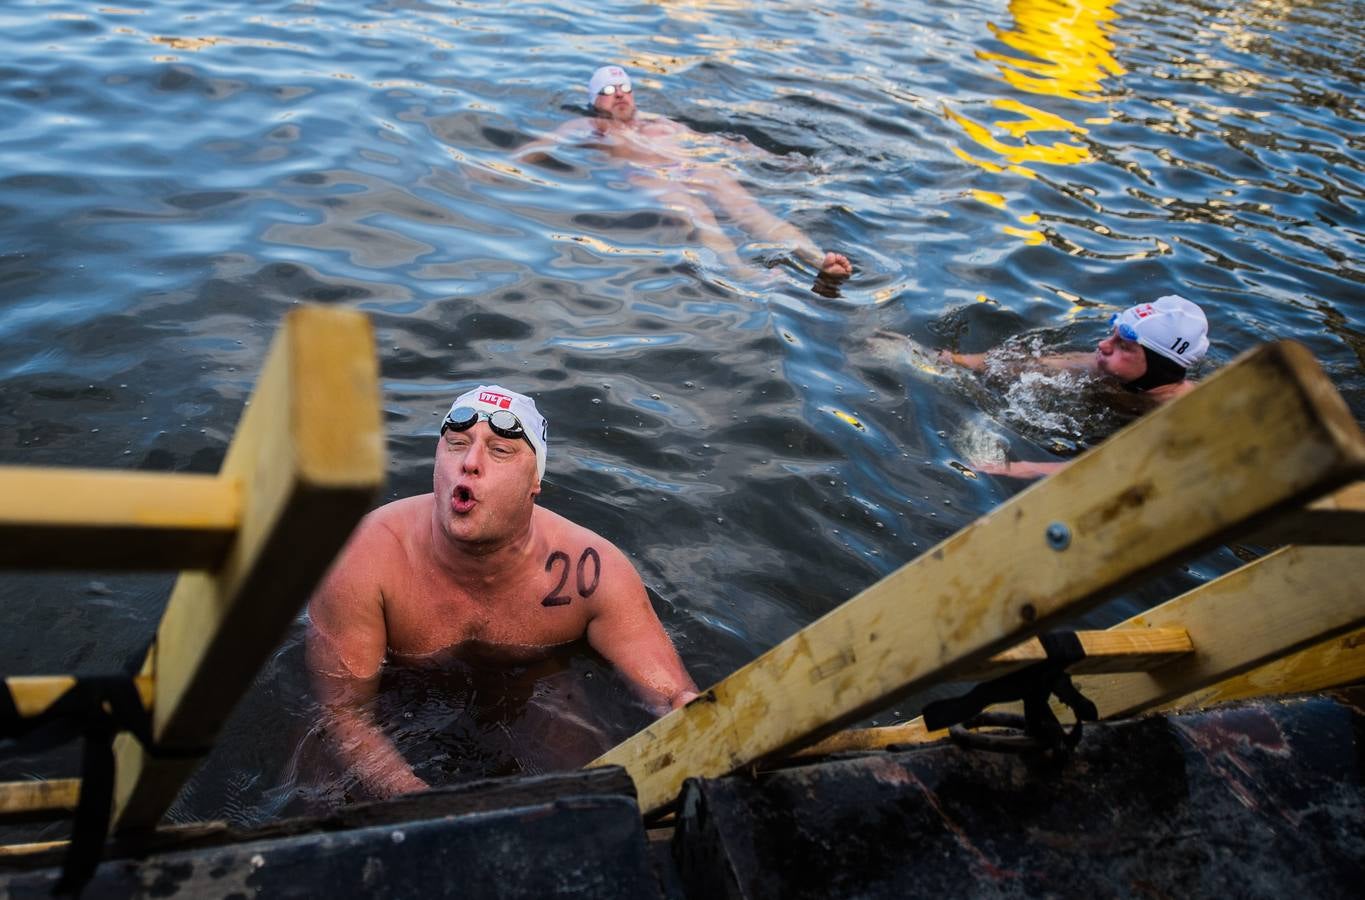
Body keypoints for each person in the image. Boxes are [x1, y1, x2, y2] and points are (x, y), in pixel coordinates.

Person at [306, 384, 699, 797]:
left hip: (530, 690)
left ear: (535, 482)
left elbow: (671, 696)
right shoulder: (363, 557)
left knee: (592, 787)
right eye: (456, 444)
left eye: (500, 451)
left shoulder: (593, 571)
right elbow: (345, 712)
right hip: (398, 701)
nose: (470, 463)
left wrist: (685, 707)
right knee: (319, 781)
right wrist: (417, 799)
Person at [517, 64, 852, 286]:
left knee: (751, 211)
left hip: (696, 170)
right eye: (607, 91)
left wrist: (777, 161)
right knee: (696, 210)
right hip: (648, 177)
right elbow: (542, 145)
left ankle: (819, 259)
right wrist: (493, 171)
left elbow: (722, 142)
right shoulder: (590, 126)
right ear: (593, 101)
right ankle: (739, 269)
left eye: (624, 87)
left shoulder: (661, 122)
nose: (618, 94)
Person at [938, 295, 1210, 479]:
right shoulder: (1097, 366)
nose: (1103, 345)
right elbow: (1027, 366)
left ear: (1159, 365)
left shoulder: (1183, 412)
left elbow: (1123, 471)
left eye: (1123, 346)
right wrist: (955, 360)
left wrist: (1026, 467)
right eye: (1111, 334)